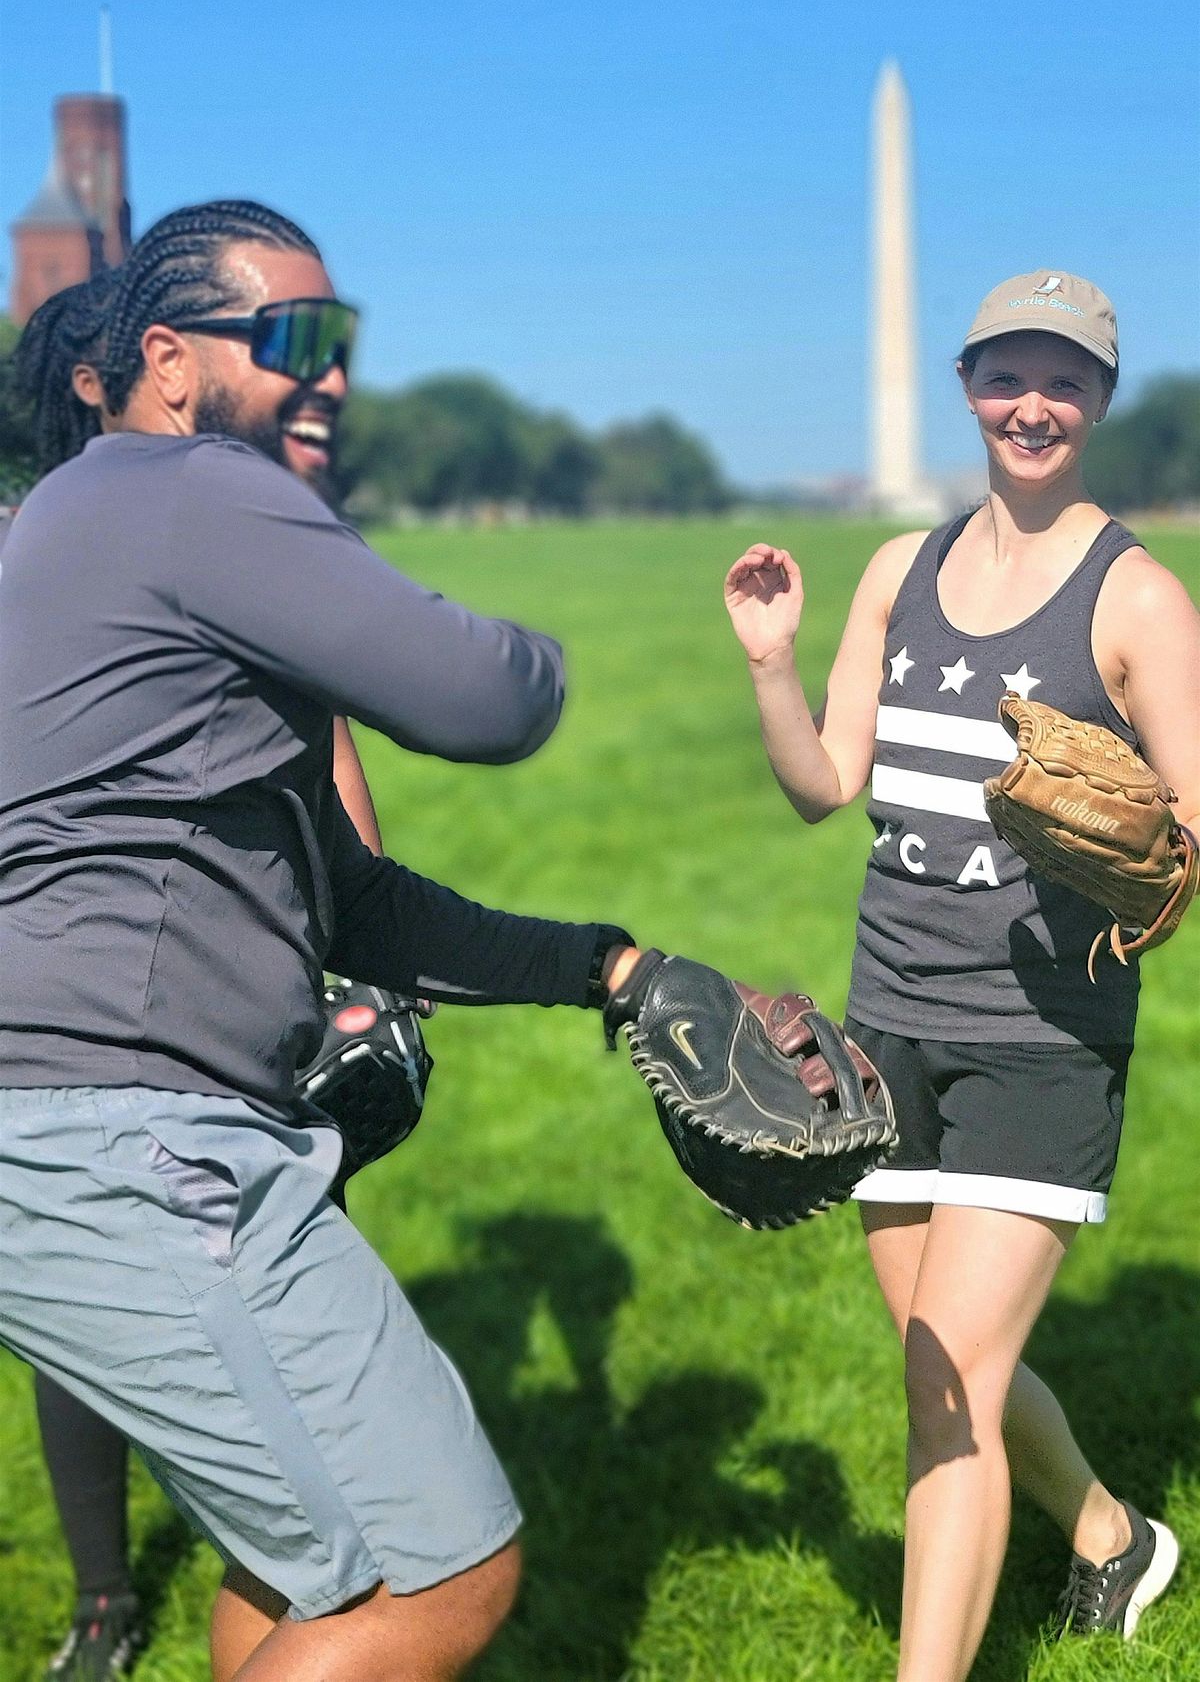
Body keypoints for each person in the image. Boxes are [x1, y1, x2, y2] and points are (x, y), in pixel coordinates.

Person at [0, 201, 643, 1682]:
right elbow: (489, 698)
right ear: (169, 361)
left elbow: (353, 901)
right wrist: (550, 657)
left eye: (342, 342)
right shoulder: (185, 495)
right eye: (293, 340)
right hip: (132, 1143)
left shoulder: (94, 523)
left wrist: (606, 964)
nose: (334, 375)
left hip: (98, 1137)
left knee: (307, 1573)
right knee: (443, 1575)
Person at [723, 272, 1199, 1681]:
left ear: (1101, 401)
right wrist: (770, 666)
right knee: (945, 1366)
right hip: (892, 1031)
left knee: (950, 1392)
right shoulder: (897, 572)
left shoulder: (1139, 599)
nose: (1033, 404)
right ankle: (1113, 1537)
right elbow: (826, 786)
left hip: (1042, 1045)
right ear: (970, 386)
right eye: (1007, 376)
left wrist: (1151, 852)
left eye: (1064, 380)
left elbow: (1189, 831)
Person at [10, 274, 415, 1680]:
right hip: (82, 1029)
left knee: (272, 1330)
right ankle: (114, 1598)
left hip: (253, 1005)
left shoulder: (234, 533)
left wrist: (369, 969)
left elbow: (330, 753)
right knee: (96, 1332)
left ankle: (287, 1590)